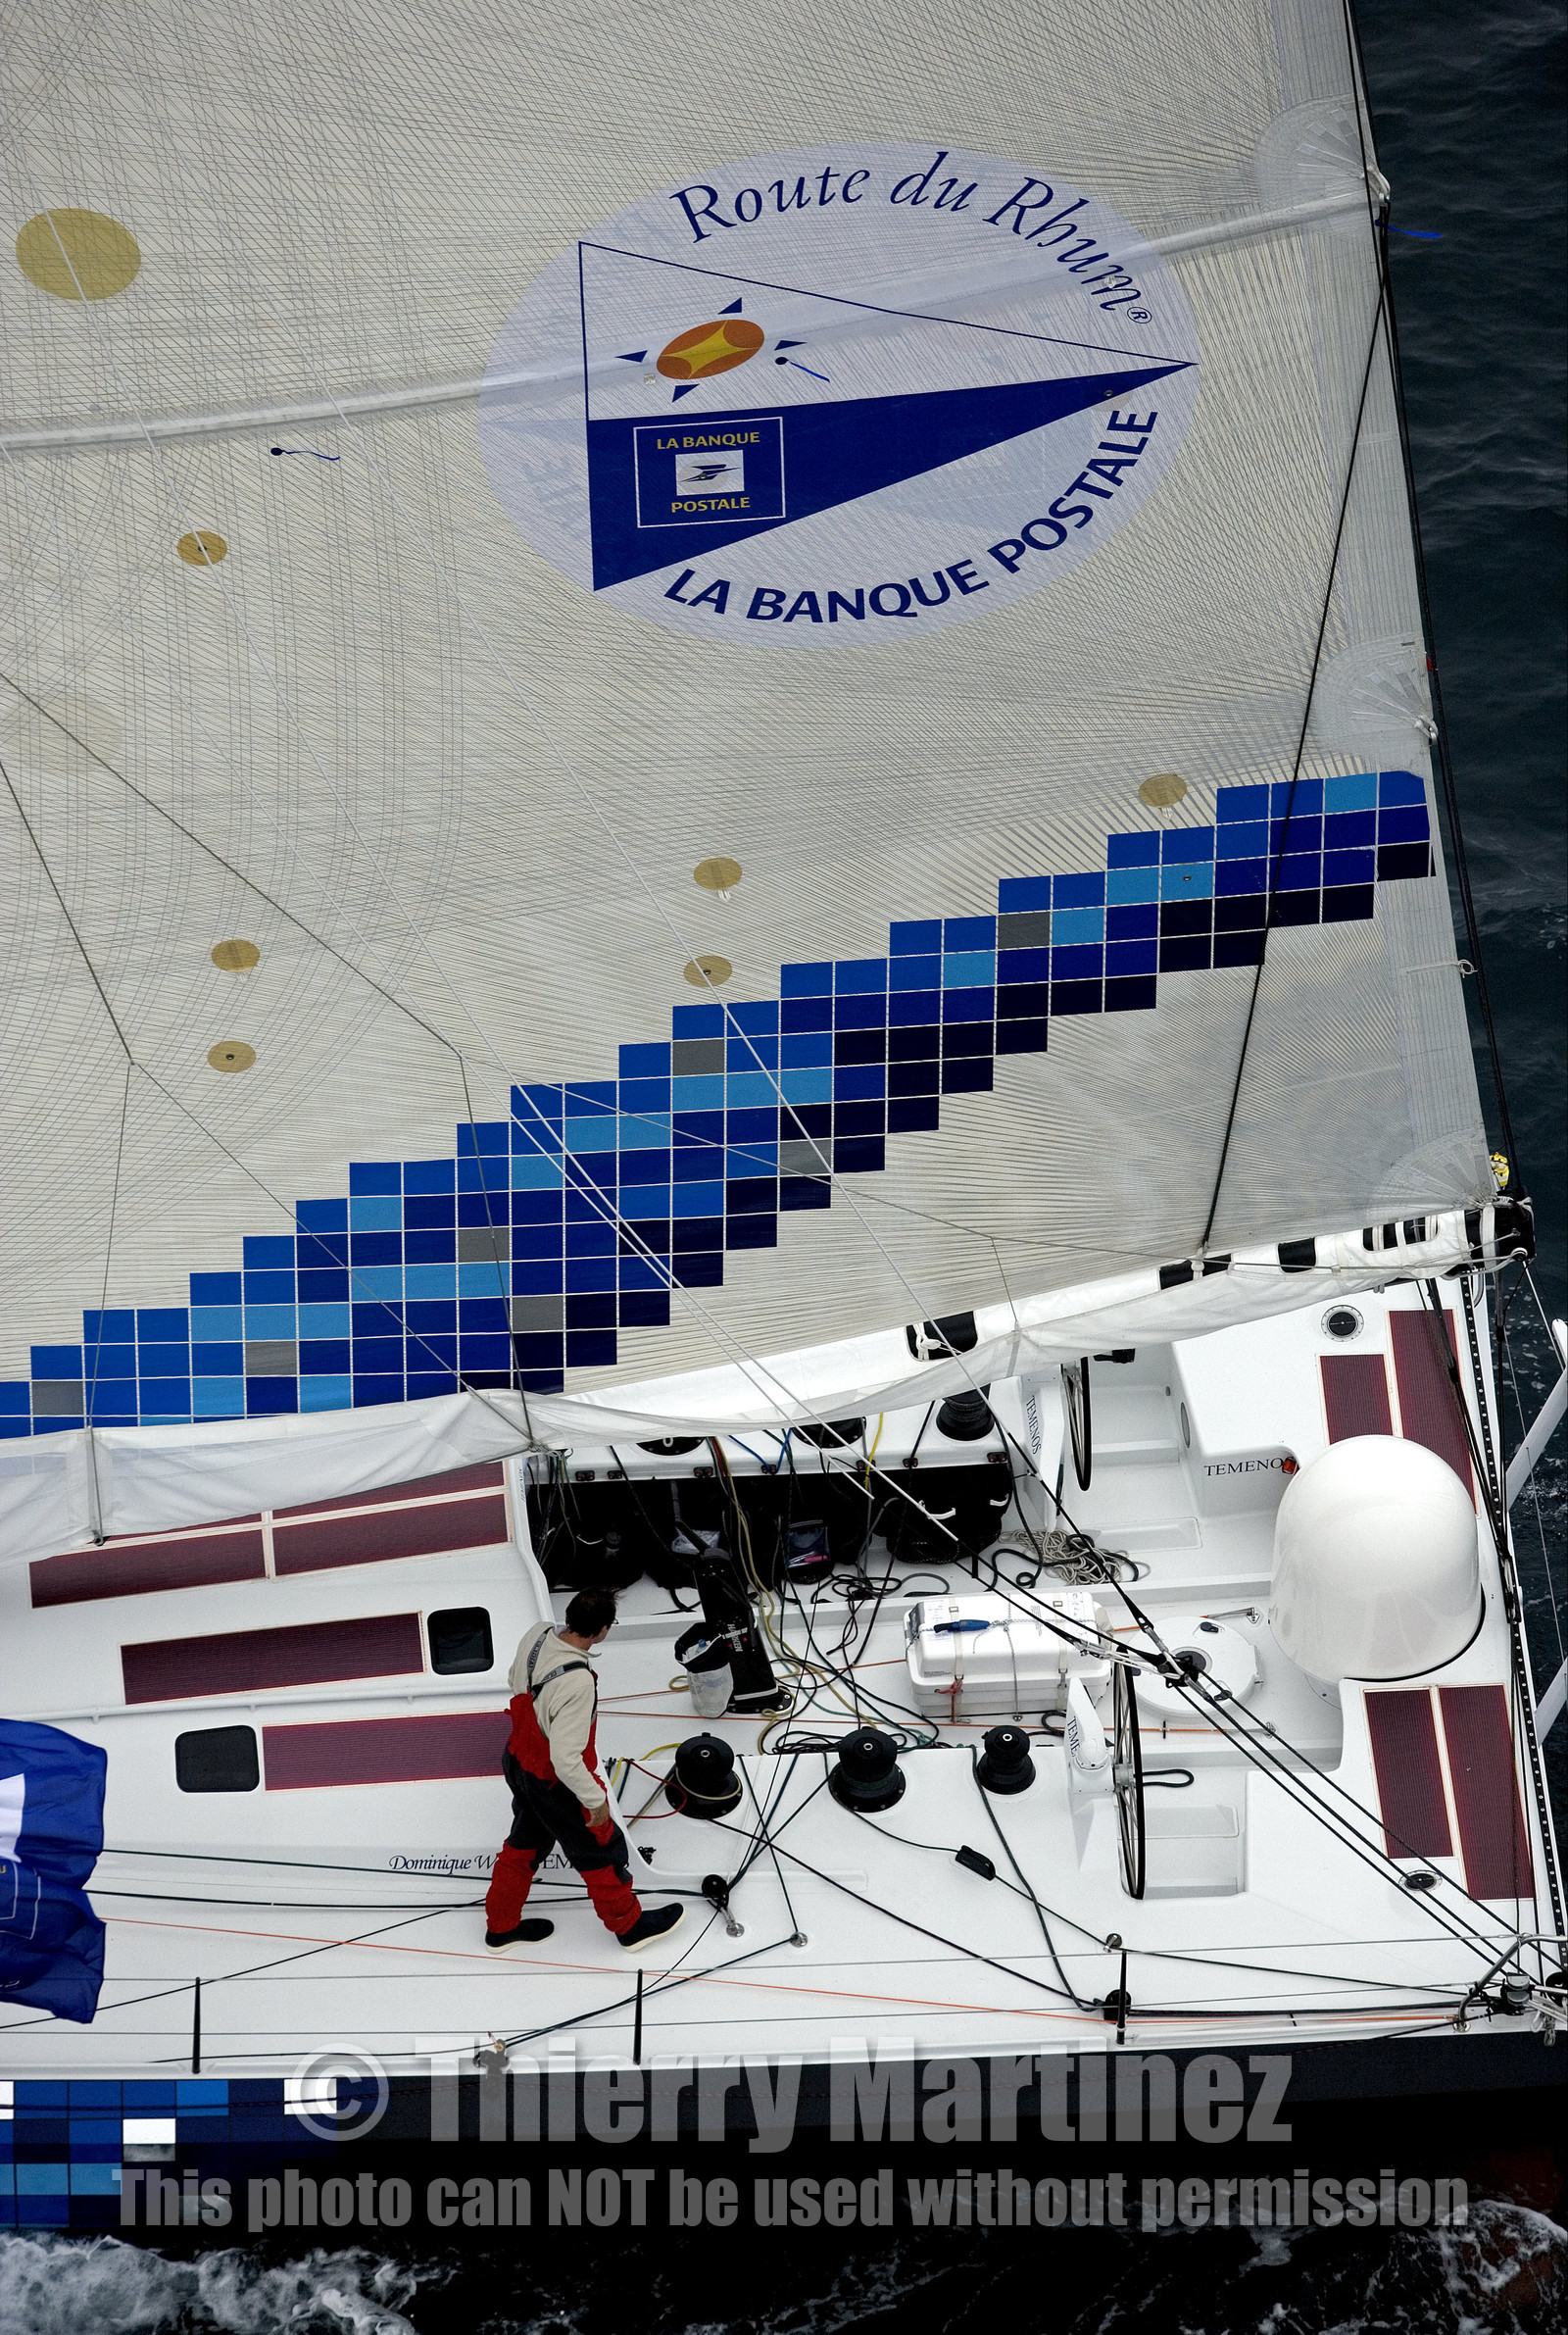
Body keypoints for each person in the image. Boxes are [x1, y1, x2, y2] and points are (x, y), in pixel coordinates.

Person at [484, 1586, 684, 1955]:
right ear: (603, 1629)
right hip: (554, 1782)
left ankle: (500, 1927)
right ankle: (630, 1927)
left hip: (518, 1761)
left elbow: (514, 1677)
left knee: (523, 1846)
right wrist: (596, 1802)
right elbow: (566, 1760)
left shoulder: (537, 1632)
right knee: (600, 1851)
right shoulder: (577, 1681)